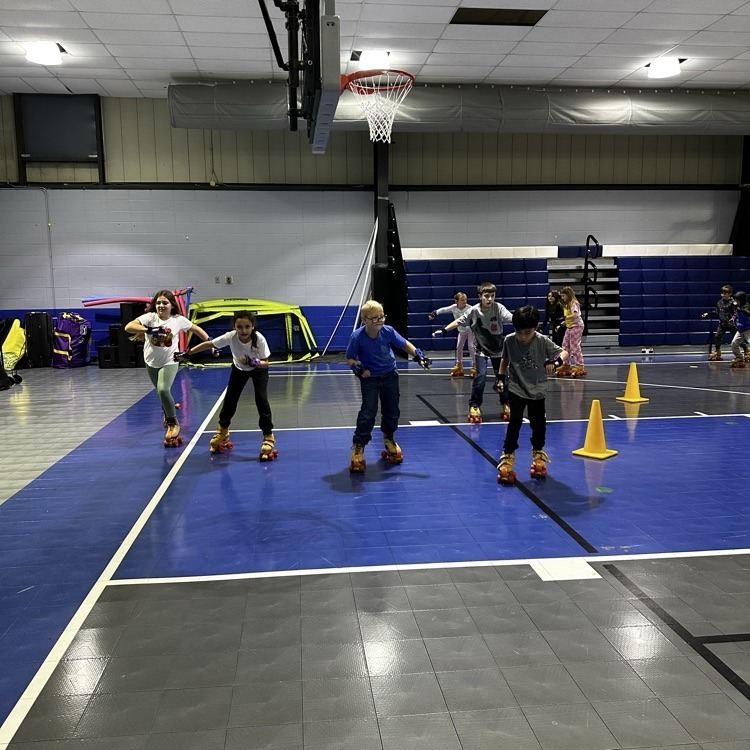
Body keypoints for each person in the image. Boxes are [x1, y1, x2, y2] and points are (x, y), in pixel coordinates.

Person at [346, 300, 431, 473]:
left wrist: (419, 356)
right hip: (370, 378)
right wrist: (358, 368)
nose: (380, 321)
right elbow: (350, 358)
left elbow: (405, 344)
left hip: (390, 375)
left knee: (392, 410)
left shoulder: (388, 331)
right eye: (375, 318)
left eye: (382, 316)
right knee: (368, 411)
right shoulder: (357, 337)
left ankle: (389, 438)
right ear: (364, 320)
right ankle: (359, 445)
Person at [178, 311, 277, 459]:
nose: (244, 330)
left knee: (261, 400)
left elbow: (265, 363)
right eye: (240, 326)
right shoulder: (230, 337)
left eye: (247, 326)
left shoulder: (259, 340)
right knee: (230, 400)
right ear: (234, 327)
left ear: (253, 326)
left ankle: (268, 435)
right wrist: (188, 352)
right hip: (239, 370)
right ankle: (222, 430)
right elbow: (209, 344)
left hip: (258, 371)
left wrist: (252, 362)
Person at [124, 290, 210, 447]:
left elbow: (196, 329)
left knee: (163, 390)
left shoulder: (178, 320)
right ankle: (167, 412)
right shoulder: (150, 318)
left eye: (165, 303)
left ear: (172, 305)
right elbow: (129, 327)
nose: (161, 306)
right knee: (160, 391)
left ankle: (173, 422)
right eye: (158, 303)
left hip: (170, 361)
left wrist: (210, 342)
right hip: (151, 362)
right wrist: (149, 330)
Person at [495, 305, 568, 484]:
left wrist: (555, 362)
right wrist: (500, 378)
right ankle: (508, 454)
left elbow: (565, 352)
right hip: (516, 388)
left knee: (538, 424)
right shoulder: (510, 340)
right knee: (515, 423)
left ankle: (538, 453)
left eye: (527, 333)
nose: (523, 337)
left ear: (535, 328)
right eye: (519, 332)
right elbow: (505, 359)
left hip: (537, 390)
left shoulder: (542, 341)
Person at [432, 281, 513, 423]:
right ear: (480, 296)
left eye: (492, 296)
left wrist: (525, 321)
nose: (489, 299)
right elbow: (459, 321)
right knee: (480, 377)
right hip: (480, 349)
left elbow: (511, 317)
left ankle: (506, 403)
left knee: (502, 377)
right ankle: (474, 405)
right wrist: (444, 330)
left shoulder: (499, 308)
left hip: (497, 350)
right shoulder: (474, 311)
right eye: (486, 296)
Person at [428, 292, 476, 377]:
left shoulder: (470, 308)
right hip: (461, 331)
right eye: (462, 300)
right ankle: (459, 364)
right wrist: (435, 313)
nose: (464, 301)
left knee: (471, 347)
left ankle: (475, 365)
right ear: (456, 301)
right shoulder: (454, 308)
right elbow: (444, 309)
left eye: (465, 299)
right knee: (459, 347)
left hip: (470, 330)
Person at [702, 285, 737, 361]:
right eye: (722, 292)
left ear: (730, 293)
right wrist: (708, 313)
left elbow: (736, 312)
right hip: (722, 324)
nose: (723, 294)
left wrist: (733, 319)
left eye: (725, 292)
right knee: (717, 337)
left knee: (738, 339)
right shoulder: (720, 302)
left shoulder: (733, 303)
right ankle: (718, 352)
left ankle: (747, 351)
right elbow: (717, 311)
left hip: (731, 324)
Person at [557, 286, 585, 377]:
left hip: (577, 326)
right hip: (569, 327)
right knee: (565, 346)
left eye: (563, 296)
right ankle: (566, 364)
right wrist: (562, 323)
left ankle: (579, 364)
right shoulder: (566, 305)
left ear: (568, 295)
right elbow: (568, 317)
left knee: (574, 345)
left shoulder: (574, 303)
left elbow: (575, 315)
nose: (562, 298)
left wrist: (566, 318)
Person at [730, 290, 750, 368]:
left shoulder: (746, 306)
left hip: (748, 329)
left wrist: (739, 309)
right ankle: (739, 357)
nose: (735, 301)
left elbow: (748, 313)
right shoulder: (737, 306)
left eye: (737, 299)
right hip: (741, 329)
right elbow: (735, 313)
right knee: (734, 343)